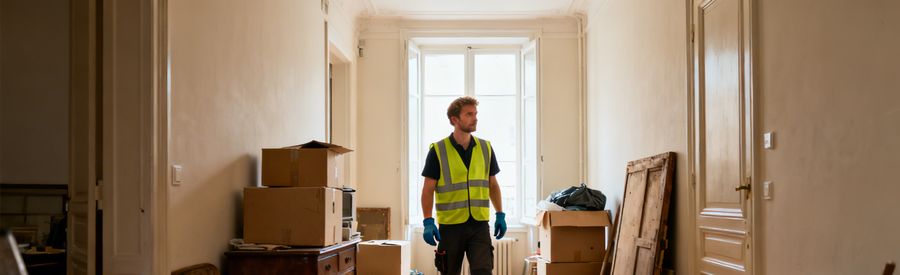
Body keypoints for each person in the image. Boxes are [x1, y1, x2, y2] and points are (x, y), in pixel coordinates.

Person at [421, 96, 506, 275]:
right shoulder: (438, 151)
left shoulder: (486, 148)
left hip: (479, 225)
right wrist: (428, 221)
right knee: (449, 272)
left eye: (475, 114)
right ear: (454, 119)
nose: (475, 118)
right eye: (469, 114)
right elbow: (428, 190)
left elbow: (493, 185)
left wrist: (500, 214)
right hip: (450, 227)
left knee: (483, 271)